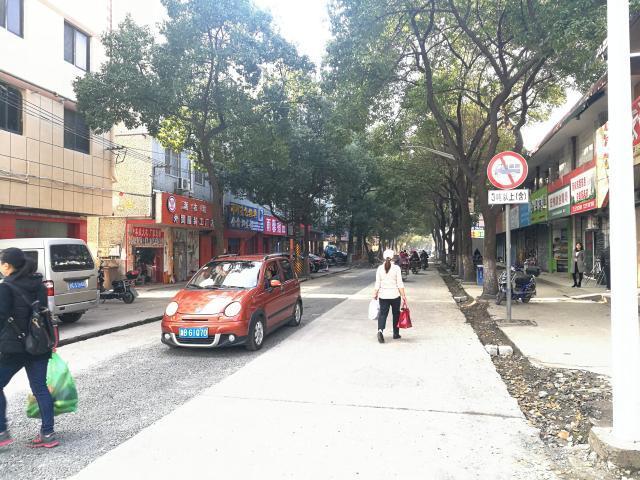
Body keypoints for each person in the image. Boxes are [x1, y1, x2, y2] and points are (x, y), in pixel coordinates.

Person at [0, 248, 58, 449]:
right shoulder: (38, 284)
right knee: (40, 388)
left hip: (14, 349)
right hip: (38, 345)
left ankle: (2, 431)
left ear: (7, 265)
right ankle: (48, 434)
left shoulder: (6, 287)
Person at [373, 249, 407, 343]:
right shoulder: (396, 268)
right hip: (395, 296)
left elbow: (377, 283)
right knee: (396, 314)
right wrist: (403, 295)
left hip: (383, 296)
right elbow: (400, 284)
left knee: (383, 314)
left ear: (384, 257)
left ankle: (380, 331)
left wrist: (375, 294)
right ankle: (396, 334)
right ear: (393, 257)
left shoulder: (380, 268)